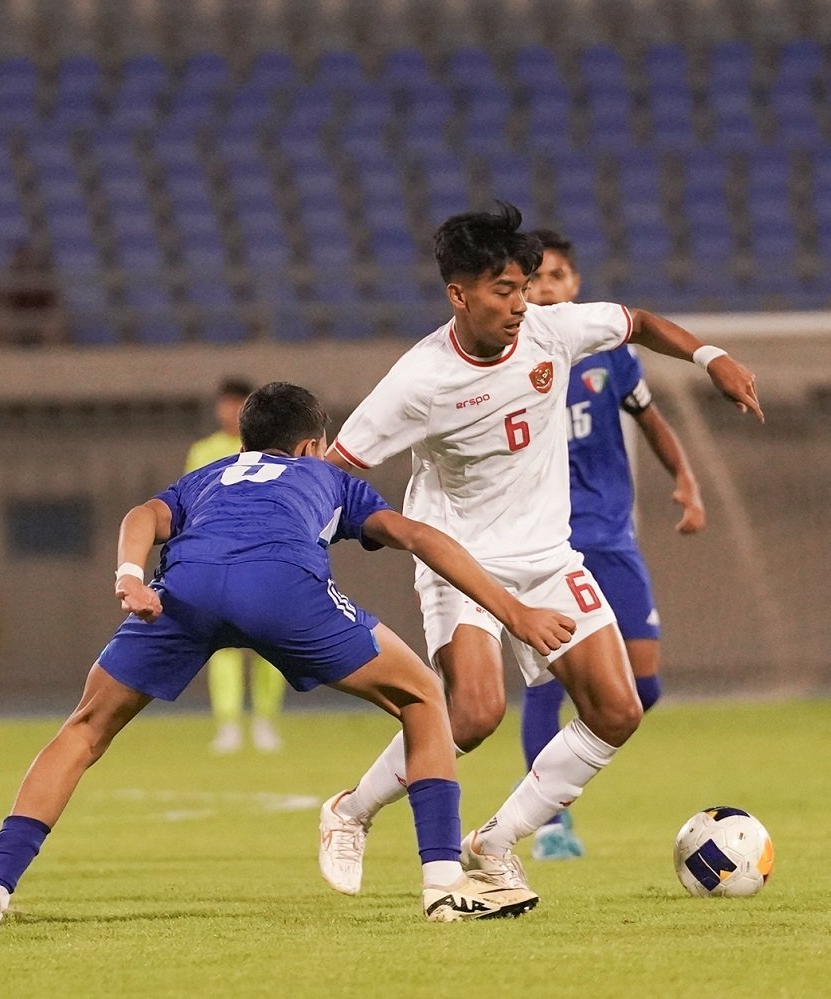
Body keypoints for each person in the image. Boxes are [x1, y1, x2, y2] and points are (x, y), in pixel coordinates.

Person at [0, 382, 575, 933]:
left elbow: (143, 513)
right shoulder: (326, 476)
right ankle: (443, 884)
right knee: (423, 697)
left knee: (84, 729)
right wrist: (514, 612)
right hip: (281, 589)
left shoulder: (206, 477)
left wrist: (130, 575)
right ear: (309, 445)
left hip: (183, 592)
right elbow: (417, 536)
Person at [316, 203, 761, 899]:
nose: (521, 304)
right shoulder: (418, 381)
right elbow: (337, 467)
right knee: (473, 714)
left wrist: (711, 356)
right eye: (502, 290)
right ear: (458, 294)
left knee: (618, 709)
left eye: (524, 286)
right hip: (462, 561)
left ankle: (494, 840)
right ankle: (350, 810)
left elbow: (636, 322)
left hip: (548, 557)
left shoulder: (552, 330)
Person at [512, 228, 706, 862]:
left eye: (559, 275)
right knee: (546, 686)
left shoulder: (609, 353)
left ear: (576, 285)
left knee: (642, 690)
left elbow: (650, 419)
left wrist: (685, 479)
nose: (548, 287)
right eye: (535, 277)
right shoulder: (507, 356)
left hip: (612, 538)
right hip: (543, 544)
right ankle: (548, 824)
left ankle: (560, 769)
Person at [184, 379, 287, 753]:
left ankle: (264, 720)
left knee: (268, 644)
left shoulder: (275, 450)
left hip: (265, 556)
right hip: (220, 557)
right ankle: (228, 723)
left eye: (238, 404)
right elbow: (193, 504)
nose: (230, 412)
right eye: (225, 404)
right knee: (222, 646)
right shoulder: (204, 450)